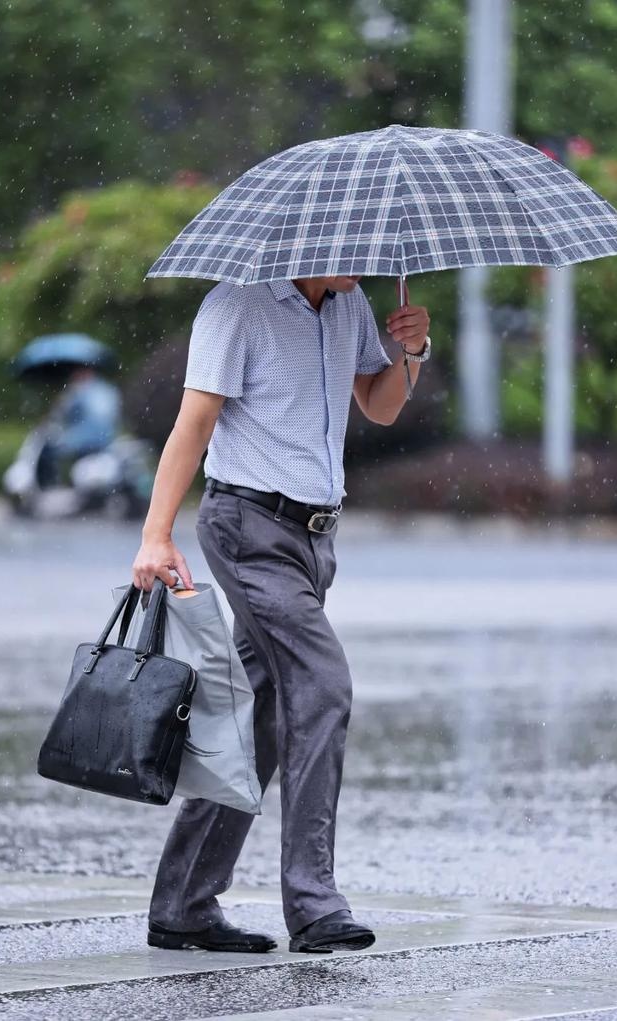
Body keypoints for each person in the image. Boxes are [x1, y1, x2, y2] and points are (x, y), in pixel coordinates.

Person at [132, 274, 430, 954]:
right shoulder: (237, 305)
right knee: (322, 686)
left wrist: (414, 349)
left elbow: (378, 406)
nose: (366, 255)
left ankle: (182, 903)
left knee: (255, 716)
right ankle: (315, 901)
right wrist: (156, 532)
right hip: (247, 526)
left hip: (314, 540)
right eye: (353, 239)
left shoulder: (348, 304)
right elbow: (196, 419)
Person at [36, 365, 122, 487]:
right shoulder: (108, 390)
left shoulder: (79, 390)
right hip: (107, 442)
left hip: (82, 441)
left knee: (50, 453)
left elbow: (61, 413)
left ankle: (53, 486)